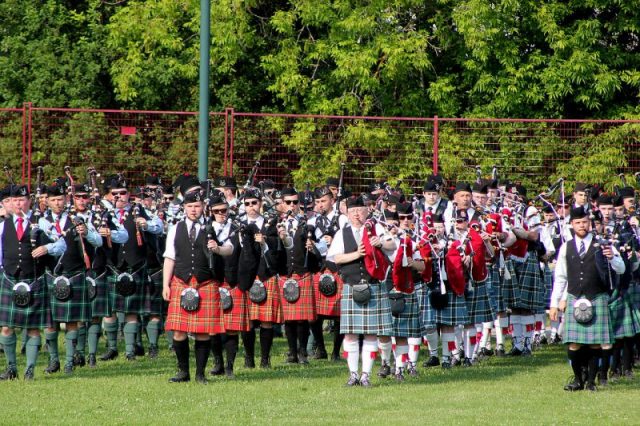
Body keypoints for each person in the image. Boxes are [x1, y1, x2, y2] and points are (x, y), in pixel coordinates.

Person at [550, 207, 624, 391]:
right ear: (572, 225)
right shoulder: (566, 247)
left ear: (589, 223)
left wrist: (612, 258)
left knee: (594, 344)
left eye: (584, 222)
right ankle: (578, 379)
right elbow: (560, 277)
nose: (582, 225)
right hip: (574, 297)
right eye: (578, 223)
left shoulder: (604, 244)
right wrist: (554, 303)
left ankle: (591, 382)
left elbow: (621, 269)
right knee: (573, 344)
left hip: (597, 297)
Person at [162, 190, 231, 383]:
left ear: (203, 208)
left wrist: (217, 248)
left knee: (203, 331)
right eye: (190, 206)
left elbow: (230, 248)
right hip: (181, 281)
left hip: (205, 282)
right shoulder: (176, 228)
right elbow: (169, 257)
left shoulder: (214, 227)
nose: (193, 210)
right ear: (184, 208)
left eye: (197, 206)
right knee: (178, 330)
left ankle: (200, 374)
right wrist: (165, 285)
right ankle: (184, 371)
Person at [327, 195, 396, 387]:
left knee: (371, 334)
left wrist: (380, 243)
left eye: (360, 210)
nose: (357, 214)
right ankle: (353, 374)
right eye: (352, 211)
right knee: (350, 334)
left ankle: (366, 374)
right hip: (352, 286)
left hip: (374, 285)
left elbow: (393, 245)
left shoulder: (376, 228)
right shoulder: (343, 233)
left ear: (367, 211)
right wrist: (357, 254)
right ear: (347, 214)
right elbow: (335, 258)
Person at [41, 182, 101, 375]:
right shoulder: (40, 222)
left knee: (72, 321)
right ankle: (53, 360)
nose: (58, 203)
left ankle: (69, 361)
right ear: (47, 202)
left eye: (60, 199)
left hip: (74, 273)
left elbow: (98, 242)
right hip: (51, 274)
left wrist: (88, 233)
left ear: (66, 200)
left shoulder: (78, 220)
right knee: (50, 322)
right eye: (53, 200)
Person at [0, 185, 54, 380]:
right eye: (14, 200)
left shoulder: (41, 222)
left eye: (22, 200)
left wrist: (47, 247)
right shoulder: (3, 224)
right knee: (6, 326)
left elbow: (61, 243)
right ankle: (11, 368)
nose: (18, 203)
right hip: (9, 278)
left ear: (29, 201)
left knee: (32, 327)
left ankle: (30, 369)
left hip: (34, 279)